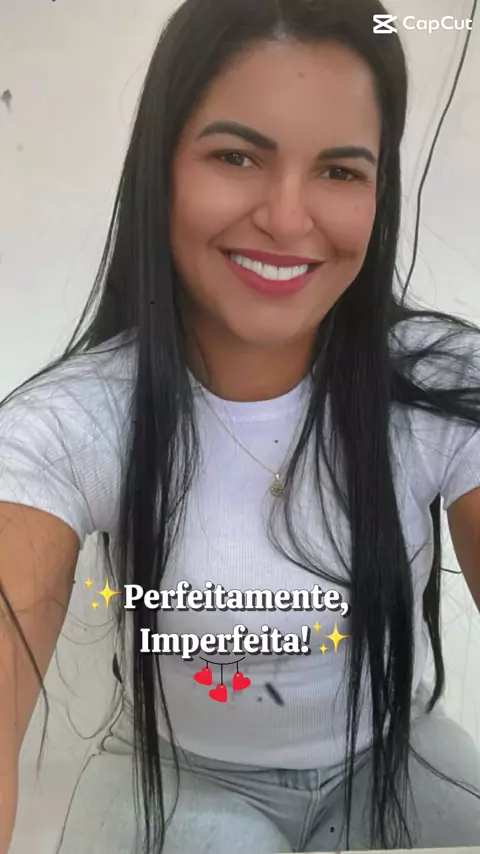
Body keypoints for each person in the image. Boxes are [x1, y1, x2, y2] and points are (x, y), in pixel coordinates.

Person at [1, 0, 480, 851]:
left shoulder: (442, 386)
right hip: (180, 774)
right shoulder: (67, 424)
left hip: (394, 755)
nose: (288, 220)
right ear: (162, 168)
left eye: (340, 171)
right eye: (236, 156)